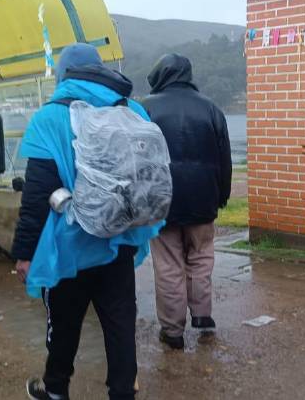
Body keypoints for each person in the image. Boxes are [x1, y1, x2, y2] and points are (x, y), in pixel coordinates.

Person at [13, 43, 161, 400]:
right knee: (120, 324)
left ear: (64, 75)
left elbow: (37, 194)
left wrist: (24, 252)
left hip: (68, 246)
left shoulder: (49, 117)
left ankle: (56, 389)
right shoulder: (134, 109)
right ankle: (123, 392)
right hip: (119, 242)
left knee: (64, 324)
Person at [141, 53, 232, 350]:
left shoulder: (145, 108)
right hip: (203, 198)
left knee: (168, 264)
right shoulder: (212, 109)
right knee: (202, 257)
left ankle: (173, 330)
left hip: (161, 202)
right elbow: (224, 159)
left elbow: (137, 159)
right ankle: (203, 315)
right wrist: (222, 195)